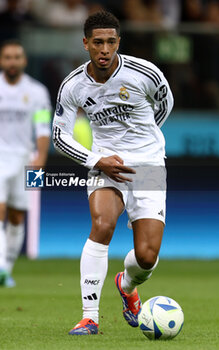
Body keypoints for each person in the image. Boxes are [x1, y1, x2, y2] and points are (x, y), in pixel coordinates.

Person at [53, 11, 173, 335]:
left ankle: (128, 284)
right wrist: (96, 159)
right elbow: (59, 135)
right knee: (102, 224)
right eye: (97, 43)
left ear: (118, 42)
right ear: (85, 44)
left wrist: (144, 144)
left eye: (110, 42)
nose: (104, 49)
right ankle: (89, 316)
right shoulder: (74, 85)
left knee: (147, 257)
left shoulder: (145, 73)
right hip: (105, 162)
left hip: (148, 166)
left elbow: (164, 105)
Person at [0, 40, 51, 287]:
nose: (12, 61)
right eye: (7, 57)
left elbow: (42, 129)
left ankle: (6, 270)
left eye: (16, 57)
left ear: (24, 61)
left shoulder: (38, 91)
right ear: (2, 61)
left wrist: (39, 161)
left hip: (24, 159)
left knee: (17, 216)